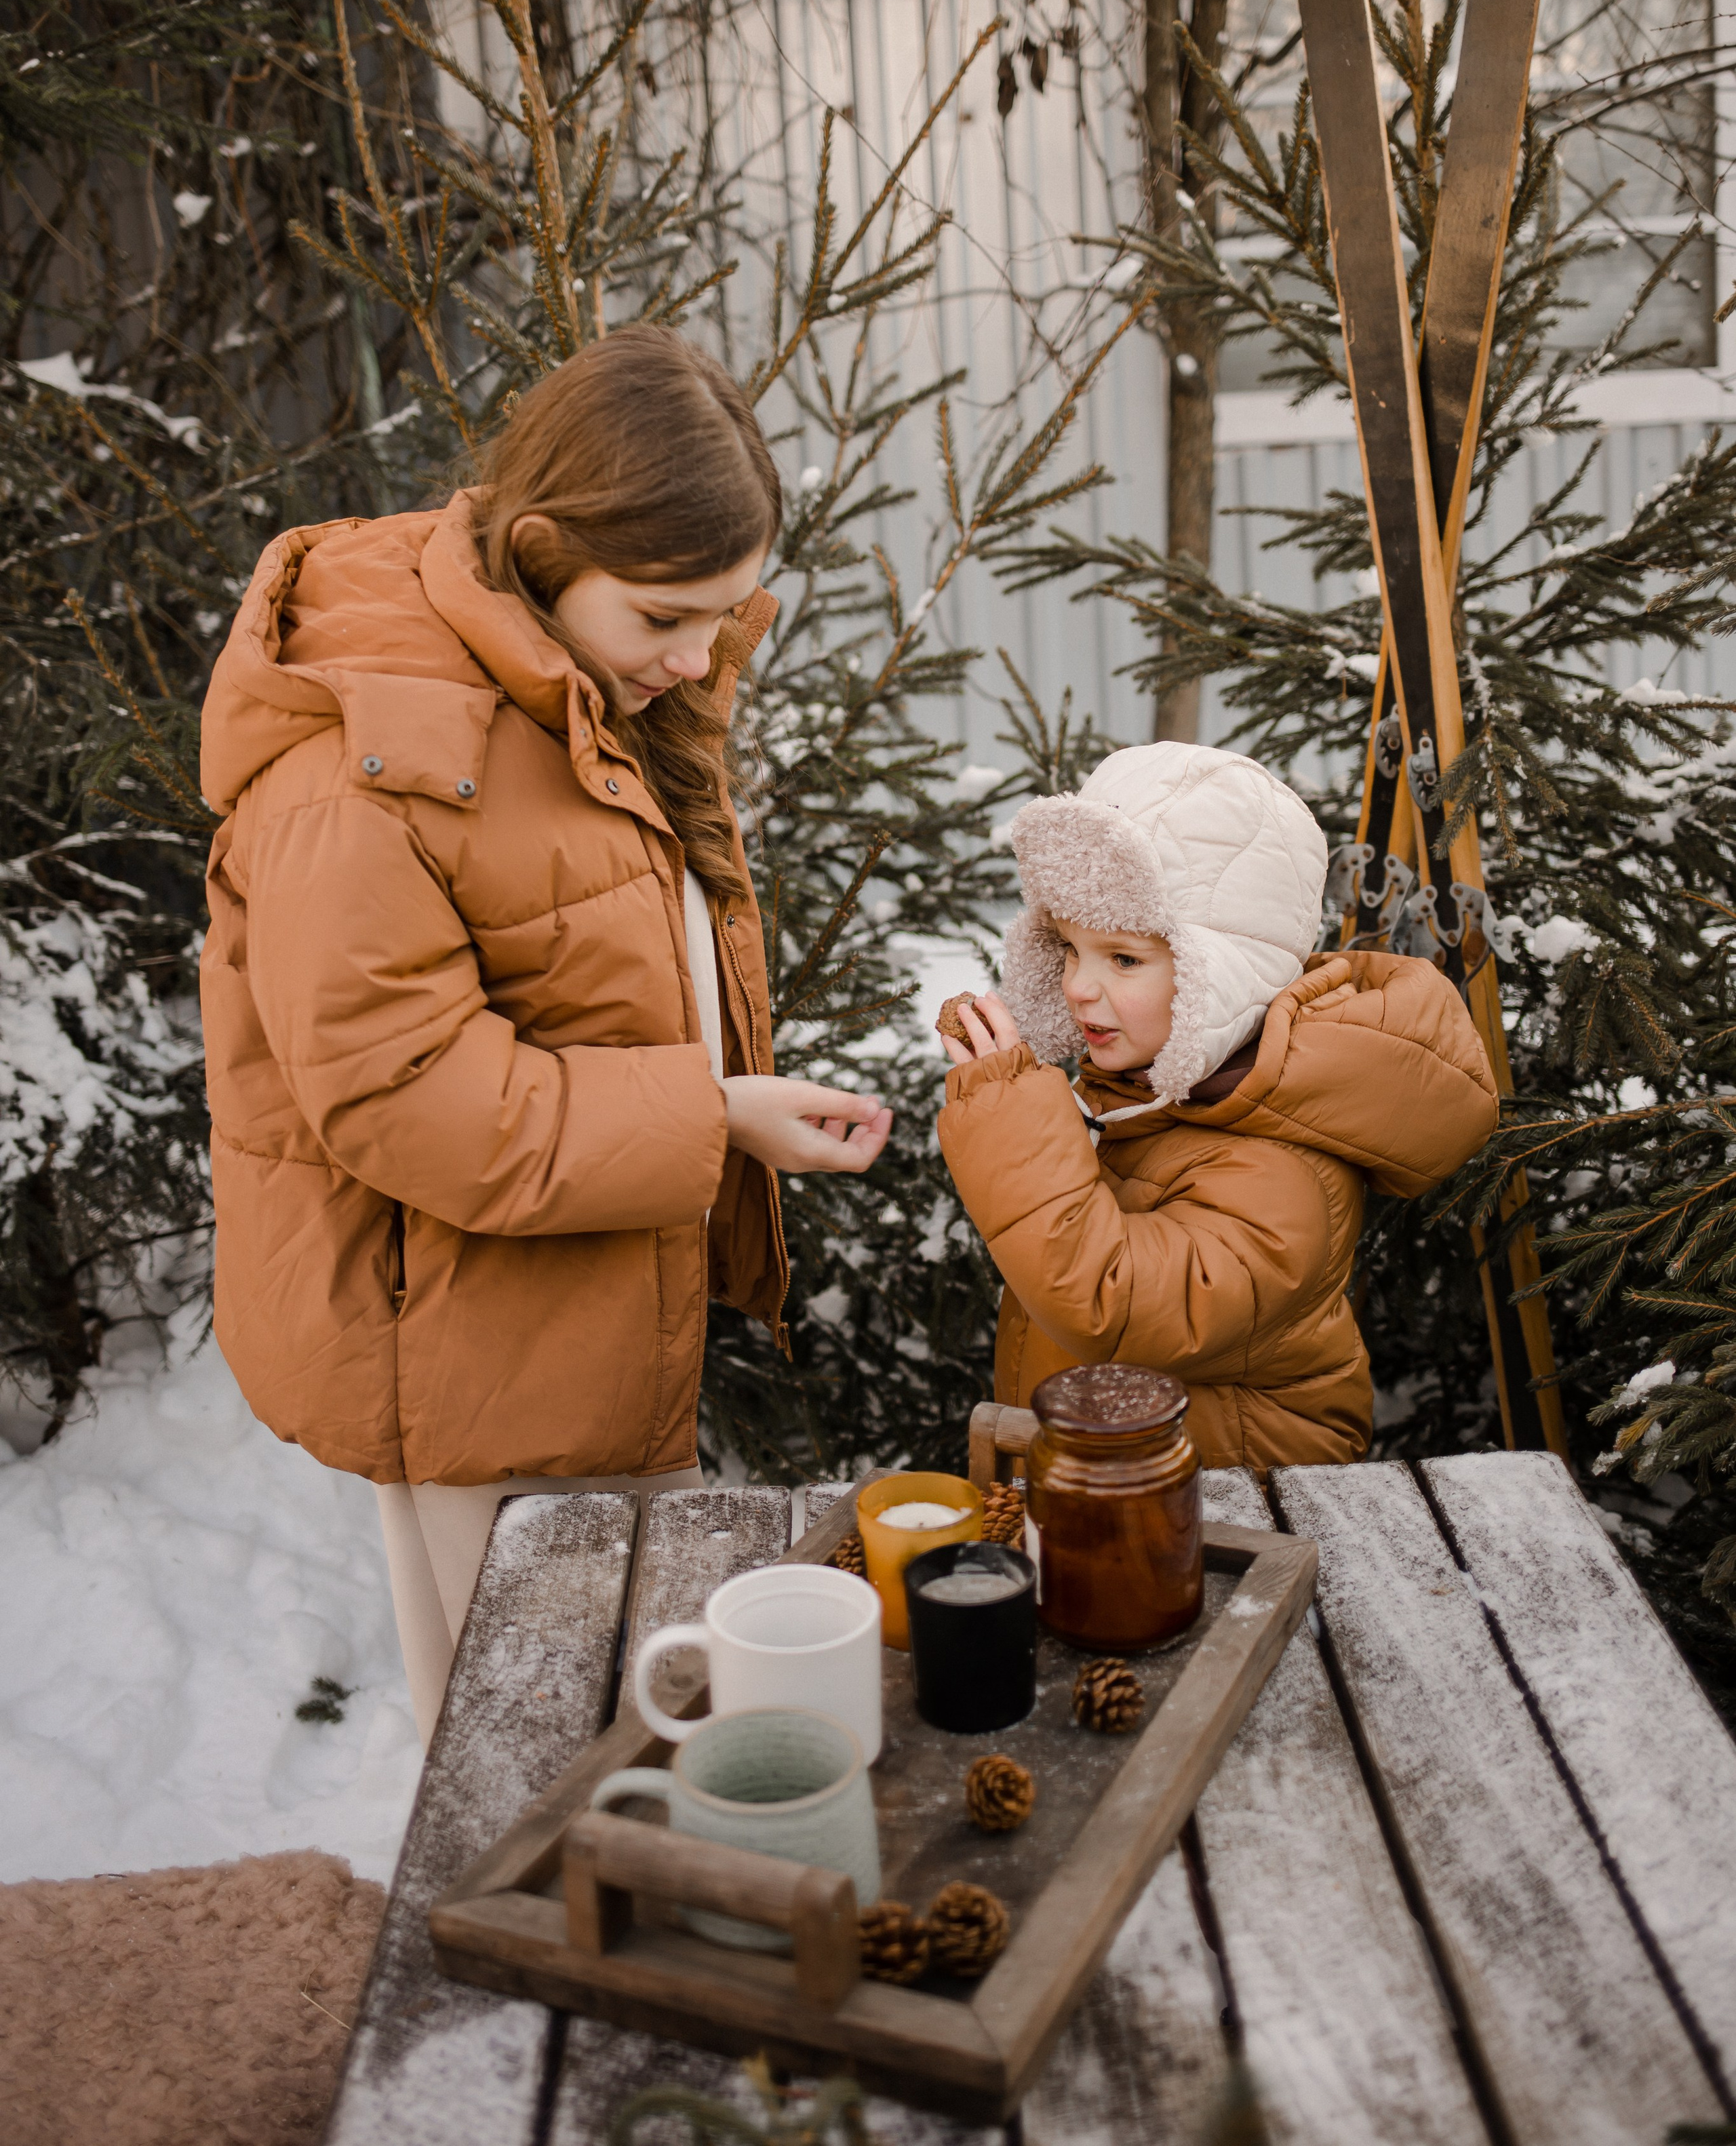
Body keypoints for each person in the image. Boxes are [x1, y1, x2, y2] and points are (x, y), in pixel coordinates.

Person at [199, 325, 892, 1745]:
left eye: (726, 615)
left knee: (612, 1732)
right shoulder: (365, 774)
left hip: (572, 1316)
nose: (698, 658)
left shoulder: (578, 685)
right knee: (527, 1756)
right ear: (539, 548)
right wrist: (715, 1120)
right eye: (663, 616)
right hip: (467, 1361)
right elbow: (410, 1097)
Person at [936, 742, 1499, 1473]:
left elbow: (1111, 1302)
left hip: (1236, 1502)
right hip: (1116, 1482)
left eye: (1124, 959)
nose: (1077, 985)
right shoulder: (1147, 1095)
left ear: (1221, 977)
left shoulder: (1277, 1167)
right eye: (1069, 951)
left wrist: (1012, 1123)